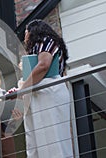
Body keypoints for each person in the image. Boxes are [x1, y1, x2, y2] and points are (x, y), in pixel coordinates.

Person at [8, 19, 73, 158]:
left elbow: (44, 65)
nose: (24, 38)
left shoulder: (45, 40)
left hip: (49, 93)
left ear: (33, 31)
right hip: (41, 95)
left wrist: (21, 90)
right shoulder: (42, 46)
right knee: (39, 142)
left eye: (25, 33)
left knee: (51, 139)